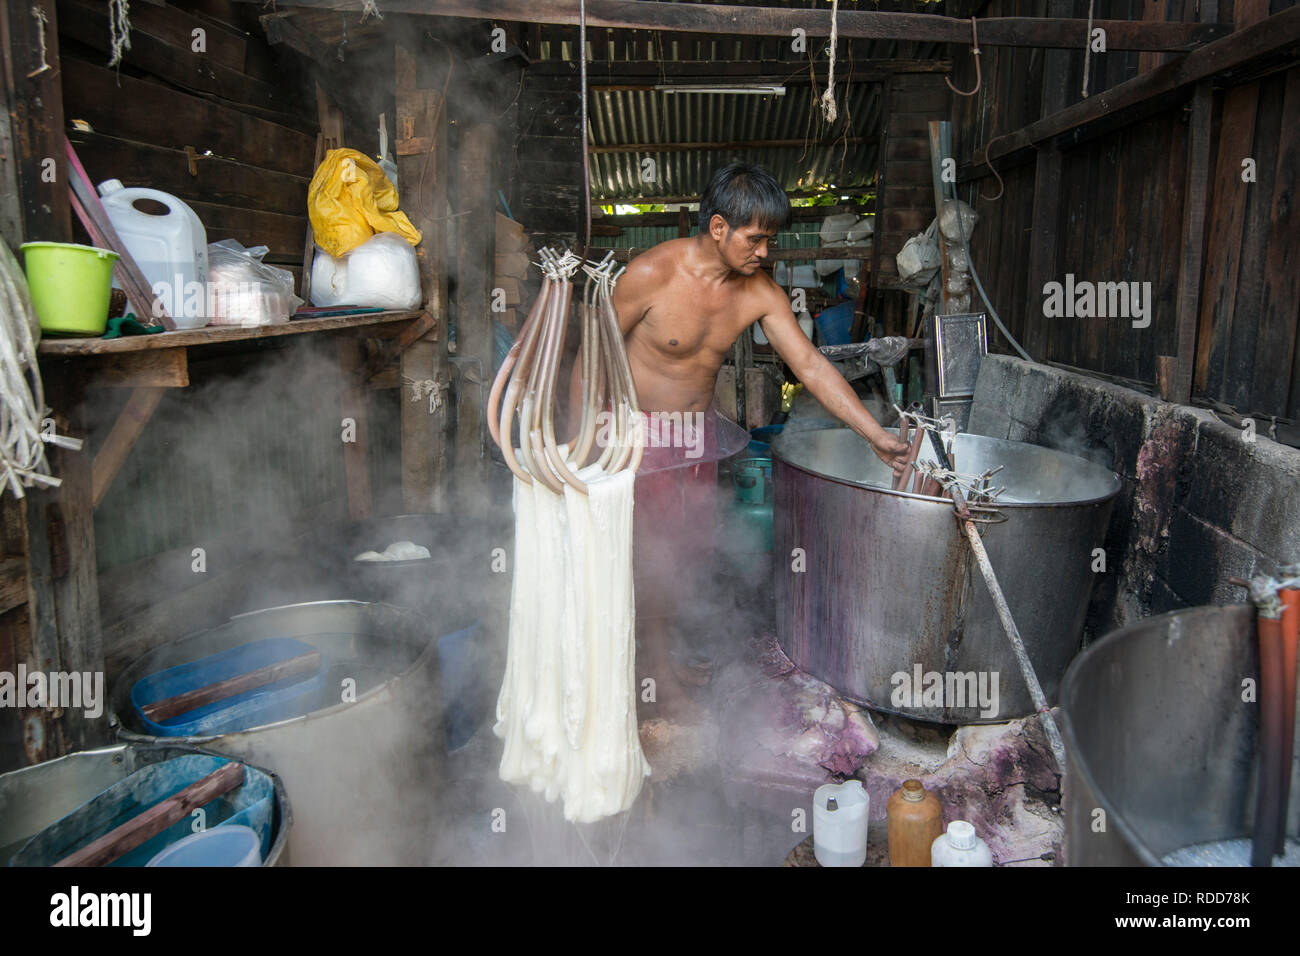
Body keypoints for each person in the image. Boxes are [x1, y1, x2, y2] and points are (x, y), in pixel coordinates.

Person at [571, 161, 910, 720]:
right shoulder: (651, 274)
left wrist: (876, 434)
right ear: (720, 228)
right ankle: (648, 678)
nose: (765, 253)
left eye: (770, 240)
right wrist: (579, 444)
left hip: (696, 441)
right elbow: (591, 355)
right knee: (646, 562)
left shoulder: (758, 291)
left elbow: (810, 365)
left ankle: (663, 661)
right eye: (757, 239)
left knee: (686, 557)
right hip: (634, 441)